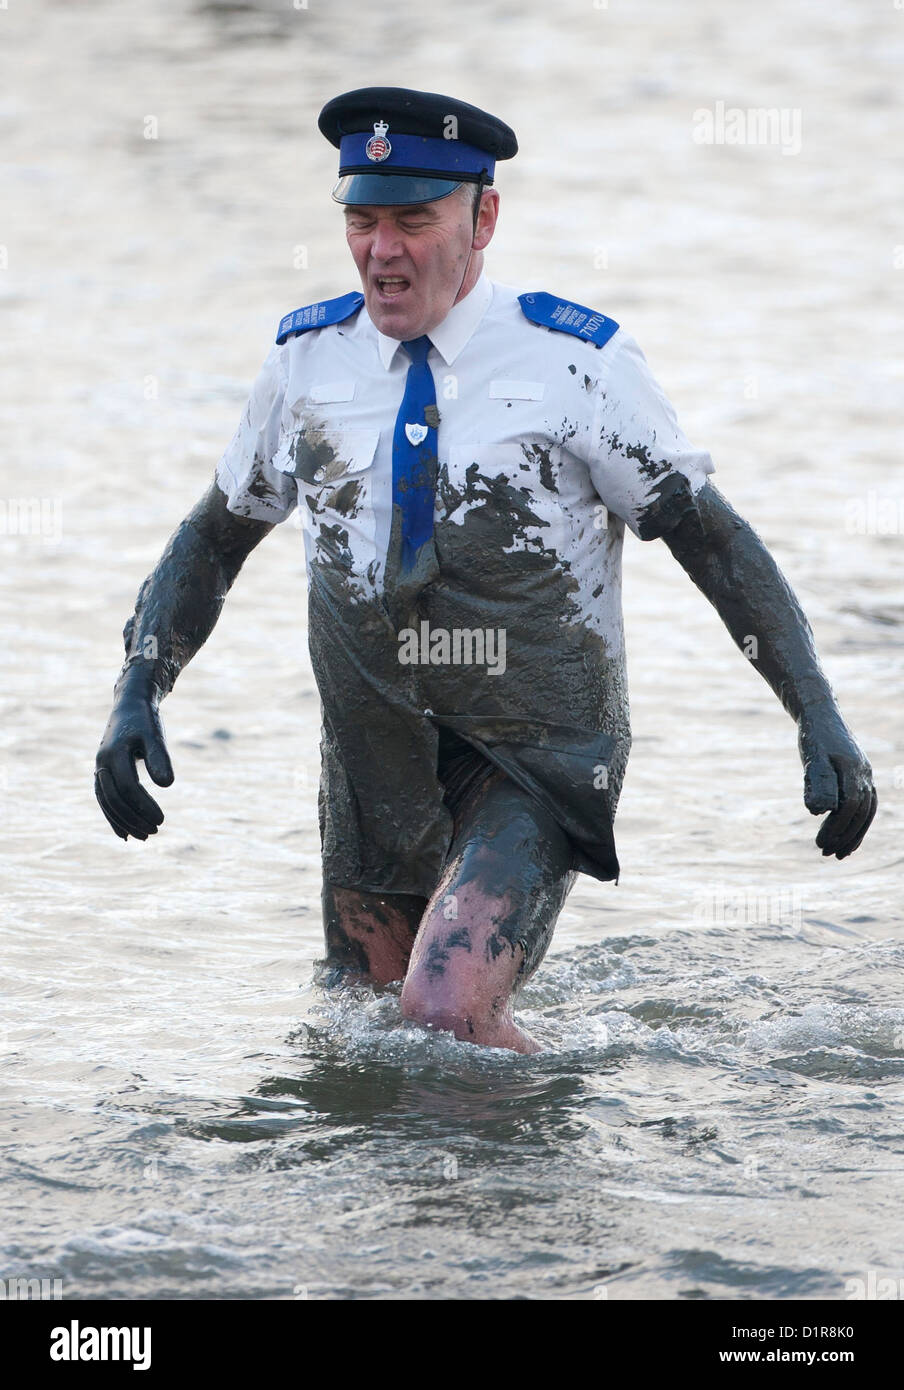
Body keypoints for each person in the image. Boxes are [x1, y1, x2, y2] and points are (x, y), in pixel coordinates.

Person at [95, 86, 877, 1055]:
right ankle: (442, 1199)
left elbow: (710, 541)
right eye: (361, 220)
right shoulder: (305, 362)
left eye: (413, 221)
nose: (381, 252)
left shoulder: (576, 363)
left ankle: (555, 1168)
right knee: (360, 1043)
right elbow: (215, 539)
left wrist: (816, 712)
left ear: (483, 218)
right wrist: (139, 683)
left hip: (534, 749)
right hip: (372, 755)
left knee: (442, 1009)